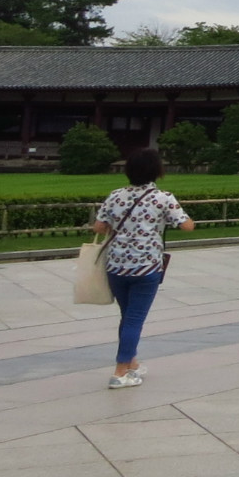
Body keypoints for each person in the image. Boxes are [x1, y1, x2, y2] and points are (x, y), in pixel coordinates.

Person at [92, 148, 194, 387]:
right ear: (156, 171)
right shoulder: (163, 198)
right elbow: (187, 226)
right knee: (135, 319)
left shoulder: (115, 196)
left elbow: (98, 227)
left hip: (116, 266)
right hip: (146, 267)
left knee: (127, 316)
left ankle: (132, 363)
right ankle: (120, 372)